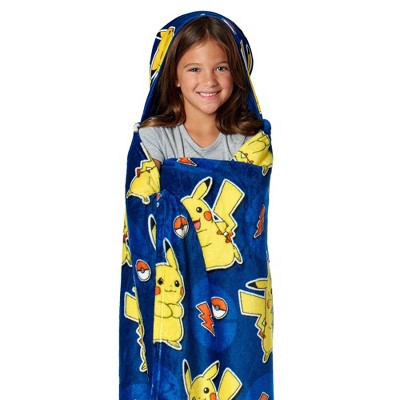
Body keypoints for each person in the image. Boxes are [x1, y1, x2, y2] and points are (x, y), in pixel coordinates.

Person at [120, 10, 274, 400]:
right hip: (169, 283)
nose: (209, 80)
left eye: (221, 67)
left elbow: (247, 213)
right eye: (194, 69)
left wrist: (176, 184)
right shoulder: (153, 140)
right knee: (171, 371)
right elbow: (142, 209)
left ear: (237, 73)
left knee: (239, 367)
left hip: (235, 287)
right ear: (172, 75)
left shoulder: (250, 141)